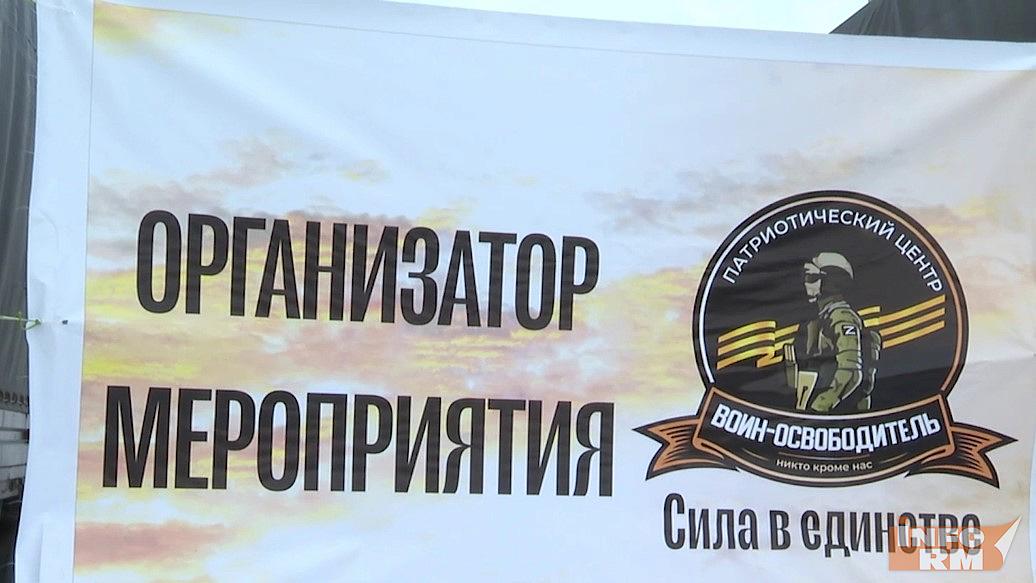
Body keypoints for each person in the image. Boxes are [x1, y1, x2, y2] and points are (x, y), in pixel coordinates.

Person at [783, 252, 879, 413]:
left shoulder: (841, 317)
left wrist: (819, 409)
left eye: (812, 278)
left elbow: (851, 373)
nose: (806, 284)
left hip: (837, 416)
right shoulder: (815, 320)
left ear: (831, 281)